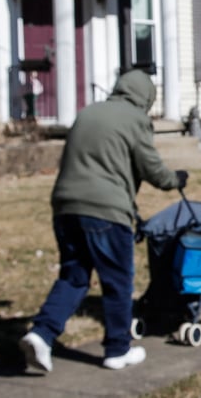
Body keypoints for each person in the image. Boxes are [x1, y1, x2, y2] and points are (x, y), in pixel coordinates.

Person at [19, 69, 189, 372]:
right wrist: (175, 179)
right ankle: (117, 350)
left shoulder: (88, 113)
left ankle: (41, 334)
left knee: (73, 277)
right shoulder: (136, 120)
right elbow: (152, 168)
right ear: (145, 98)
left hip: (65, 207)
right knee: (118, 282)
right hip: (106, 213)